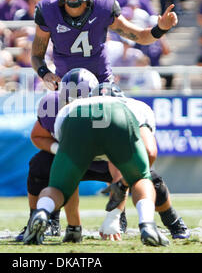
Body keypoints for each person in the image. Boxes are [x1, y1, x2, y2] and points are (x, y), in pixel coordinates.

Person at [22, 84, 169, 246]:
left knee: (59, 188)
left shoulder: (70, 106)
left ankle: (43, 211)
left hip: (74, 119)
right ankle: (147, 223)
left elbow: (45, 137)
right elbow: (150, 151)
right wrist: (127, 183)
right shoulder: (137, 106)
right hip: (120, 117)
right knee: (141, 179)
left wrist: (74, 228)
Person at [16, 68, 126, 243]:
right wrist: (57, 149)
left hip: (104, 159)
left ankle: (168, 220)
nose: (74, 108)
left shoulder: (110, 110)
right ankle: (38, 219)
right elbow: (37, 136)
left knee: (143, 175)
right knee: (39, 164)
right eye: (69, 102)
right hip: (71, 156)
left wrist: (114, 215)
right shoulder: (51, 106)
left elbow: (121, 163)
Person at [30, 0, 178, 90]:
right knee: (46, 116)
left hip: (101, 84)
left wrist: (161, 28)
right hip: (65, 84)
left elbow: (140, 36)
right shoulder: (48, 10)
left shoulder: (102, 7)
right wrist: (45, 73)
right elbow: (37, 55)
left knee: (121, 118)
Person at [92, 82, 189, 241]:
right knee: (47, 171)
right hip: (89, 158)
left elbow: (148, 152)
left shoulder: (136, 110)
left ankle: (171, 219)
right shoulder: (79, 114)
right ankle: (54, 220)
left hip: (121, 156)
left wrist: (123, 183)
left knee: (153, 182)